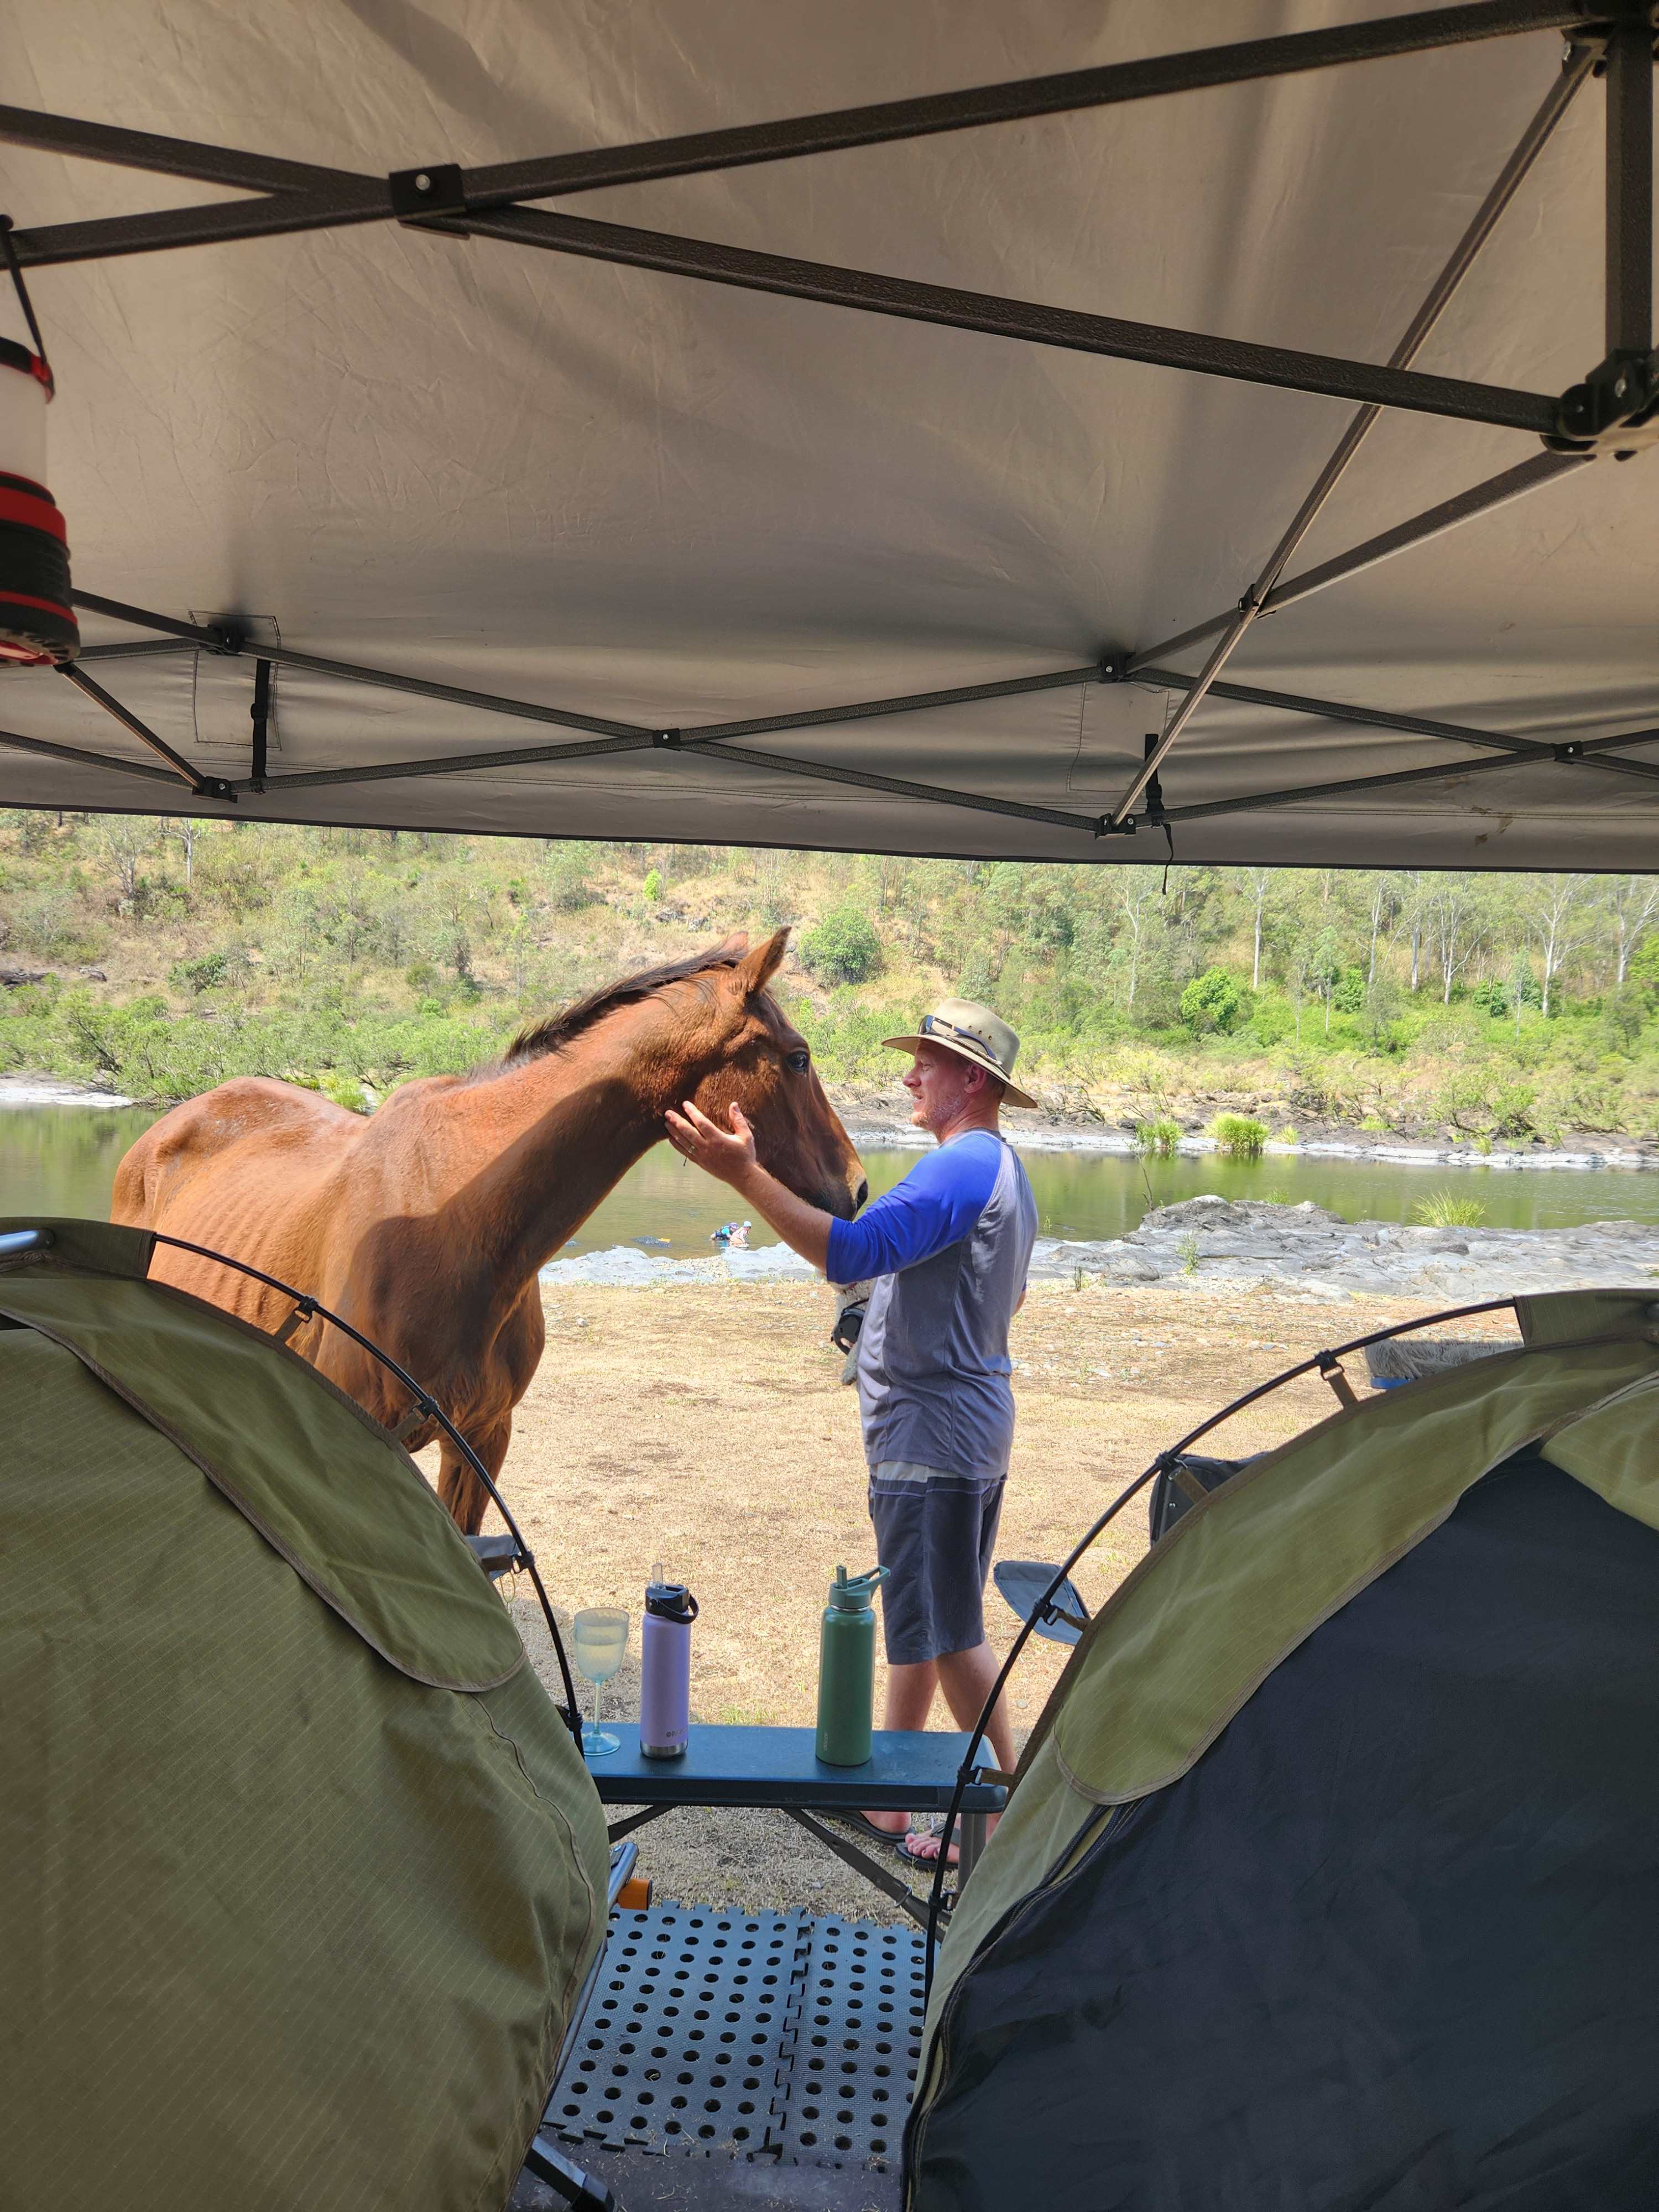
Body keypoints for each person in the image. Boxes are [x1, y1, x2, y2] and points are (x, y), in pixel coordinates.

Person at [666, 997, 1037, 1867]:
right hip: (961, 1432)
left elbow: (848, 1252)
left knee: (952, 1634)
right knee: (924, 1612)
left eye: (925, 1065)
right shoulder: (1004, 1171)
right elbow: (1008, 1293)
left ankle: (1014, 1815)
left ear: (971, 1080)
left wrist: (744, 1175)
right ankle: (888, 1802)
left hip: (934, 1440)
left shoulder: (959, 1166)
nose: (909, 1077)